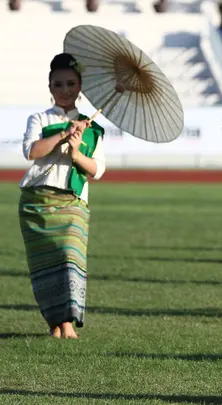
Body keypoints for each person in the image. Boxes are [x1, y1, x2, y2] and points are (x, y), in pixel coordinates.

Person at [18, 53, 106, 339]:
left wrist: (78, 151)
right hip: (36, 202)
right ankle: (55, 324)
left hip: (73, 202)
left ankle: (68, 323)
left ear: (80, 86)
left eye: (71, 83)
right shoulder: (40, 118)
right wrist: (61, 136)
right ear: (50, 87)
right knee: (45, 265)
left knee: (70, 258)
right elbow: (31, 152)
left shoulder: (91, 127)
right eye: (58, 84)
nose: (65, 90)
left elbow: (97, 170)